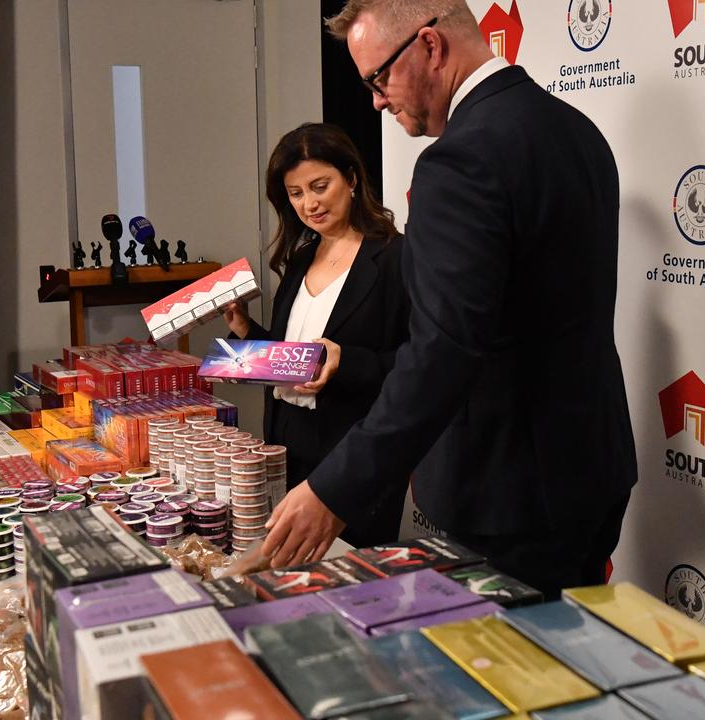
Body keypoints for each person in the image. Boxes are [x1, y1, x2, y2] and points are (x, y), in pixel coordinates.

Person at [262, 0, 637, 599]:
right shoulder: (578, 130)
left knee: (517, 679)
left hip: (508, 493)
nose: (378, 102)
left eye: (378, 78)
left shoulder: (459, 161)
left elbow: (441, 351)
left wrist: (335, 490)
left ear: (430, 46)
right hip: (593, 467)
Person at [224, 122, 410, 548]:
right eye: (295, 194)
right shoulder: (301, 257)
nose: (309, 204)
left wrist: (347, 362)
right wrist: (247, 332)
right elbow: (293, 357)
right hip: (287, 443)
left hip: (356, 449)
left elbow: (419, 360)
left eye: (320, 186)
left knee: (350, 582)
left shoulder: (395, 257)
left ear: (352, 178)